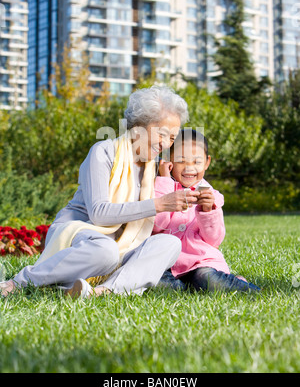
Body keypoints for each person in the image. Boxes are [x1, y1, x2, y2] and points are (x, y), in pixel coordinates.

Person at [0, 86, 201, 299]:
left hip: (121, 245)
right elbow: (99, 213)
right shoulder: (103, 152)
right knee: (106, 251)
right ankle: (19, 282)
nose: (165, 143)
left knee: (169, 244)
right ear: (139, 126)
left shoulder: (155, 167)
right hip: (80, 235)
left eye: (171, 138)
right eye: (161, 133)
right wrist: (159, 204)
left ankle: (100, 291)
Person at [154, 129, 261, 293]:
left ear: (206, 162)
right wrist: (164, 180)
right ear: (169, 161)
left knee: (207, 279)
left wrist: (208, 211)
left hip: (200, 262)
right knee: (159, 284)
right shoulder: (161, 187)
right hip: (166, 264)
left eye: (196, 162)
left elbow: (214, 240)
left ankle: (245, 288)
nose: (189, 168)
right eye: (181, 161)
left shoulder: (212, 196)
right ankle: (184, 288)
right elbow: (157, 225)